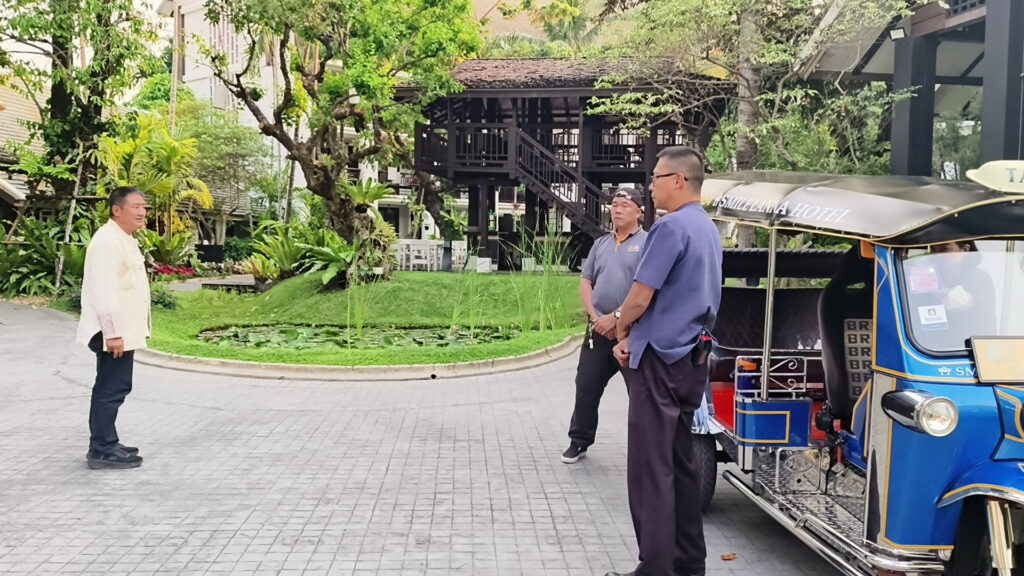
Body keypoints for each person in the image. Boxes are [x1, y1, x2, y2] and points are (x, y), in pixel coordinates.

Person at [605, 146, 722, 576]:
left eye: (655, 177)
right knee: (680, 464)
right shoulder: (707, 228)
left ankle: (655, 567)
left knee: (650, 470)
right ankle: (688, 562)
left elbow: (640, 297)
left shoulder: (670, 227)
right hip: (692, 359)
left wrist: (622, 329)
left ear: (678, 180)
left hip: (659, 362)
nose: (650, 187)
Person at [562, 187, 648, 464]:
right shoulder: (600, 244)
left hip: (631, 333)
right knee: (586, 387)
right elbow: (586, 282)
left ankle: (644, 450)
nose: (618, 210)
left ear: (639, 212)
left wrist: (618, 317)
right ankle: (579, 441)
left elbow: (645, 289)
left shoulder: (648, 244)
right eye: (614, 205)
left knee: (639, 395)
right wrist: (597, 317)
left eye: (625, 205)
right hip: (598, 330)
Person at [75, 187, 151, 470]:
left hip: (120, 331)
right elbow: (104, 292)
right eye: (135, 206)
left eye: (143, 206)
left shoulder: (123, 238)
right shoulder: (108, 241)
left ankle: (107, 441)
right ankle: (102, 449)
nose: (142, 212)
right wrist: (112, 334)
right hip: (112, 332)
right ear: (116, 210)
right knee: (111, 388)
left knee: (114, 386)